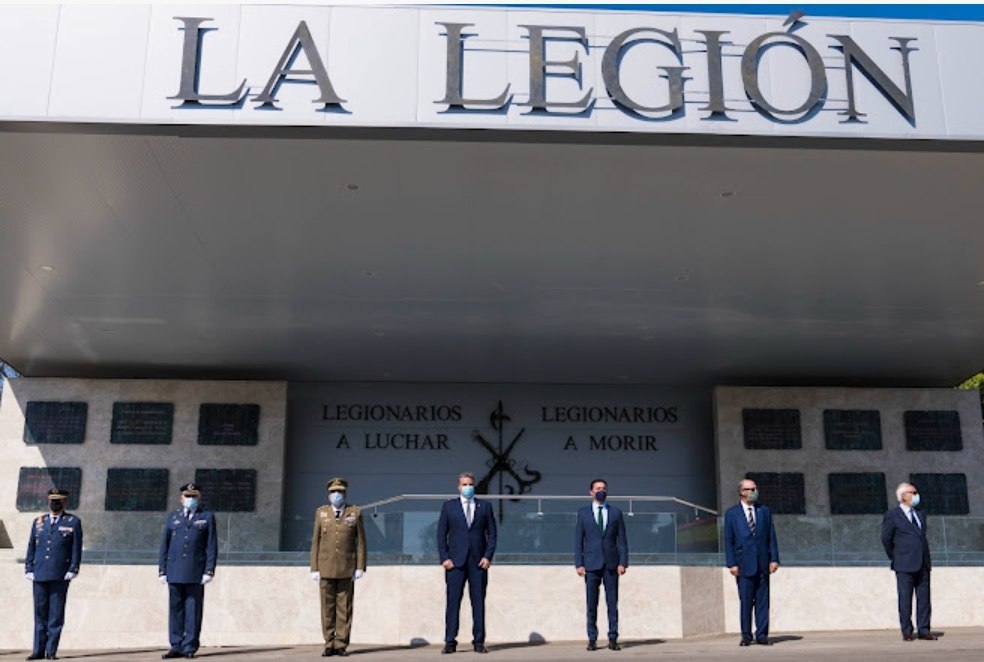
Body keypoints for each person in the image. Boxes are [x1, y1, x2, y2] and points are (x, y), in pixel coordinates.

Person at [436, 472, 497, 654]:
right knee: (453, 603)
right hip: (455, 563)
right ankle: (450, 641)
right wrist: (444, 558)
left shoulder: (484, 506)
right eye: (464, 484)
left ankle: (478, 641)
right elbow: (441, 534)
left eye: (470, 484)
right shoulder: (449, 506)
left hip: (478, 563)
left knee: (478, 603)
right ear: (458, 487)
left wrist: (488, 556)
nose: (467, 487)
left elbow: (492, 534)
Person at [157, 482, 218, 659]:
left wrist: (209, 570)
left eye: (194, 496)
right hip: (174, 569)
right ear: (181, 498)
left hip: (195, 570)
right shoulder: (173, 516)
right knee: (175, 609)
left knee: (192, 610)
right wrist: (162, 569)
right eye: (187, 496)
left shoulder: (206, 516)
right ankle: (176, 645)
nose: (190, 499)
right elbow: (165, 544)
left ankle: (189, 646)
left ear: (199, 498)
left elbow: (211, 545)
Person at [310, 477, 367, 657]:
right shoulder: (321, 513)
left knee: (344, 608)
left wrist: (360, 566)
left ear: (345, 494)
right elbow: (315, 542)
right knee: (327, 608)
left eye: (340, 492)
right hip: (325, 567)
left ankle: (341, 643)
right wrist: (314, 568)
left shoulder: (355, 512)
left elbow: (361, 542)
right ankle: (329, 643)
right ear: (328, 495)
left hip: (346, 567)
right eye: (334, 492)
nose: (337, 495)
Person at [24, 488, 82, 661]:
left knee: (55, 614)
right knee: (40, 613)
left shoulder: (73, 521)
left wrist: (73, 568)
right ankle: (38, 650)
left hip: (59, 574)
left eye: (58, 500)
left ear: (65, 502)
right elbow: (31, 547)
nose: (55, 503)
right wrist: (29, 568)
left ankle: (51, 651)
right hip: (40, 573)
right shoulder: (39, 522)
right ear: (48, 501)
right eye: (52, 500)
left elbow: (76, 548)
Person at [723, 478, 779, 646]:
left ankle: (762, 635)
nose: (754, 492)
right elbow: (729, 540)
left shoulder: (764, 511)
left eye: (755, 489)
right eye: (750, 489)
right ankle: (746, 636)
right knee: (746, 602)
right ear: (742, 492)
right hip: (743, 565)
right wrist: (732, 563)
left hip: (762, 563)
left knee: (763, 602)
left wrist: (774, 559)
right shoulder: (732, 513)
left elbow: (771, 536)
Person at [574, 478, 628, 651]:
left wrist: (623, 562)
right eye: (598, 488)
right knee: (592, 604)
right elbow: (578, 540)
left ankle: (613, 638)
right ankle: (592, 638)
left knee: (612, 603)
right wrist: (579, 563)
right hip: (591, 564)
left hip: (611, 564)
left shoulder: (616, 513)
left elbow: (622, 540)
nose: (601, 491)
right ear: (591, 492)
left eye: (603, 488)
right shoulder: (583, 513)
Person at [881, 481, 935, 641]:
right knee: (905, 599)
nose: (917, 495)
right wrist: (895, 556)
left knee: (924, 599)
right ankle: (907, 631)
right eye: (913, 492)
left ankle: (924, 630)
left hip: (923, 563)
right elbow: (886, 538)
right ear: (904, 496)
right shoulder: (892, 515)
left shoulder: (920, 513)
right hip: (904, 563)